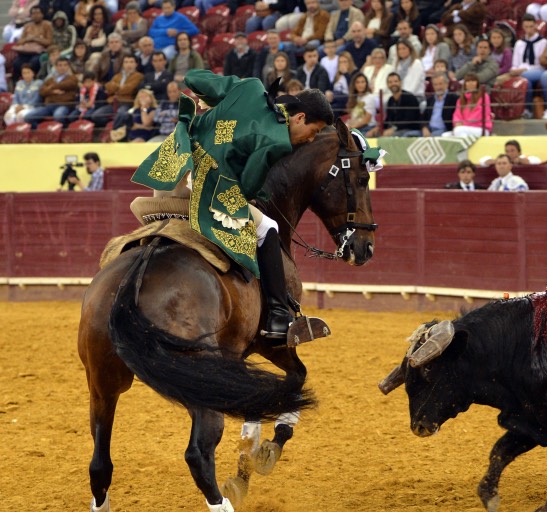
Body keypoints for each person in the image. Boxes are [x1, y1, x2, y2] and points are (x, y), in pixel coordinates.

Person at [132, 70, 334, 339]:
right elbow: (247, 187)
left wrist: (213, 104)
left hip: (173, 171)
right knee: (269, 228)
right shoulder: (277, 141)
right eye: (314, 130)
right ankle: (277, 317)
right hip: (204, 190)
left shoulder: (251, 87)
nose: (310, 138)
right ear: (299, 118)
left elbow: (194, 79)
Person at [28, 56, 79, 127]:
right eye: (60, 65)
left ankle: (63, 133)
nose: (62, 67)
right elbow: (41, 91)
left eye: (65, 65)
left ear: (68, 67)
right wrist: (52, 91)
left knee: (58, 116)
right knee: (29, 117)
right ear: (55, 67)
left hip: (64, 105)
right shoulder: (50, 79)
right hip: (49, 105)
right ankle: (43, 132)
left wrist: (50, 87)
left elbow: (68, 85)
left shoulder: (72, 78)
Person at [372, 71, 422, 136]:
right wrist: (379, 128)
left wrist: (393, 129)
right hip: (396, 129)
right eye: (390, 82)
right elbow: (388, 120)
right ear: (387, 85)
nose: (393, 84)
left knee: (390, 137)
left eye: (395, 81)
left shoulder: (410, 98)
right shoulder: (390, 100)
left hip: (409, 129)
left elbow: (409, 120)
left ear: (400, 82)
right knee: (375, 134)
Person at [421, 71, 458, 136]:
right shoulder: (430, 99)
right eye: (435, 84)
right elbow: (424, 117)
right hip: (429, 129)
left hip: (444, 130)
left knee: (434, 135)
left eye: (440, 84)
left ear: (447, 84)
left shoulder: (454, 98)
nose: (438, 87)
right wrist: (424, 128)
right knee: (410, 135)